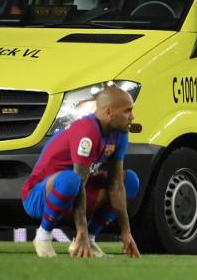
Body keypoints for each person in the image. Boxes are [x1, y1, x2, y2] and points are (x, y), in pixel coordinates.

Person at [21, 86, 142, 259]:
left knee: (129, 181)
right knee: (72, 180)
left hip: (73, 193)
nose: (132, 117)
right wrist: (81, 231)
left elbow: (116, 184)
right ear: (109, 112)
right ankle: (43, 237)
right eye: (127, 111)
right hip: (38, 196)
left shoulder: (120, 134)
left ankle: (89, 240)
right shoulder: (87, 131)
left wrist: (126, 232)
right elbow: (79, 182)